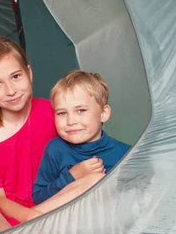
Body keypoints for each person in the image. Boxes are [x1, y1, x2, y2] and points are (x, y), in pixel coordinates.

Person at [0, 38, 104, 234]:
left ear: (29, 73)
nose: (11, 90)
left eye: (15, 76)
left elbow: (79, 152)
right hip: (2, 220)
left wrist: (77, 175)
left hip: (49, 207)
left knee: (97, 179)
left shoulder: (54, 111)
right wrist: (30, 217)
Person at [32, 70, 130, 204]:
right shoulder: (55, 149)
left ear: (103, 113)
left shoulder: (126, 154)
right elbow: (38, 198)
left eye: (81, 110)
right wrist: (71, 177)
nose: (71, 121)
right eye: (62, 113)